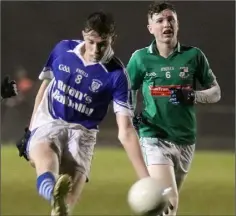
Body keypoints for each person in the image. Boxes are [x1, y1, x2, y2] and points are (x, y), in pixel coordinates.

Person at [16, 11, 150, 216]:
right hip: (50, 121)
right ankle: (52, 192)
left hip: (83, 134)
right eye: (91, 42)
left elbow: (126, 131)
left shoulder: (117, 76)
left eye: (102, 43)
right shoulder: (63, 50)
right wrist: (31, 128)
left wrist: (146, 180)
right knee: (46, 162)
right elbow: (44, 87)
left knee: (65, 207)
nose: (96, 49)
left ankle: (58, 202)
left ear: (112, 39)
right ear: (83, 35)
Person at [126, 1, 221, 216]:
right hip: (154, 137)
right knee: (168, 201)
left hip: (186, 138)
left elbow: (215, 92)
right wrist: (132, 117)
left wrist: (192, 96)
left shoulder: (194, 56)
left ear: (177, 24)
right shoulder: (140, 58)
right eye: (159, 20)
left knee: (162, 206)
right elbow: (127, 91)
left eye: (171, 19)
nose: (166, 24)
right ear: (150, 28)